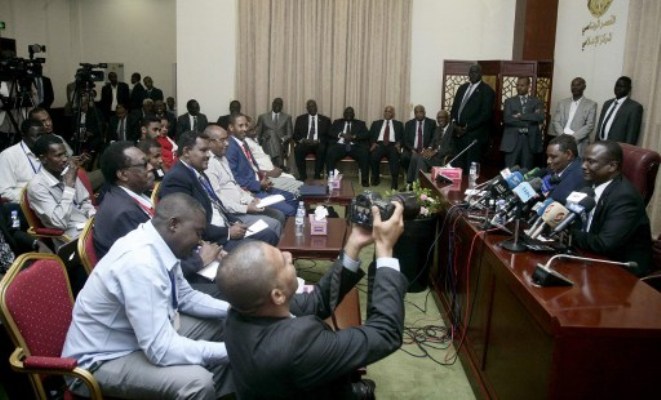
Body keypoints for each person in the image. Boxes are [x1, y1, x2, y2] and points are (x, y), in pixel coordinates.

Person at [218, 202, 408, 399]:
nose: (289, 254)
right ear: (277, 295)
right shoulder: (298, 345)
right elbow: (386, 333)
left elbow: (317, 302)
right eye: (283, 261)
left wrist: (354, 243)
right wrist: (385, 251)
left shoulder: (241, 311)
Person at [62, 193, 235, 399]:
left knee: (225, 323)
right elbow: (160, 350)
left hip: (135, 337)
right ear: (174, 225)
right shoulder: (141, 263)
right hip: (100, 360)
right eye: (197, 233)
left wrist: (235, 310)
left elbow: (185, 296)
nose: (199, 242)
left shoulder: (158, 242)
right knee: (197, 382)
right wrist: (234, 350)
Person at [94, 141, 222, 294]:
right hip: (154, 289)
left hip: (174, 269)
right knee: (234, 289)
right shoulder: (123, 213)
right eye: (144, 164)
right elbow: (154, 267)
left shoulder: (133, 196)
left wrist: (201, 248)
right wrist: (199, 260)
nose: (151, 167)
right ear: (123, 174)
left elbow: (165, 243)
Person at [160, 130, 280, 249]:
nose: (208, 155)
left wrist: (235, 221)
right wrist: (227, 232)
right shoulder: (177, 178)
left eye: (208, 150)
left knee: (269, 234)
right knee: (260, 244)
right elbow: (187, 224)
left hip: (225, 225)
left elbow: (217, 204)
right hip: (210, 241)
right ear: (186, 152)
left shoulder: (198, 172)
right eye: (203, 150)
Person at [571, 141, 652, 276]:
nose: (583, 166)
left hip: (621, 270)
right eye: (583, 160)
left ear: (612, 166)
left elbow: (604, 243)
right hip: (589, 256)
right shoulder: (589, 184)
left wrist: (569, 233)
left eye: (591, 162)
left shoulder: (625, 197)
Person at [205, 124, 285, 233]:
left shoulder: (222, 157)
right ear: (210, 142)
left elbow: (235, 185)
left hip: (244, 203)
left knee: (278, 215)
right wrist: (246, 208)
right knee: (273, 223)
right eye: (222, 140)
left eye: (227, 139)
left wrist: (251, 199)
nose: (227, 144)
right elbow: (218, 200)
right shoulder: (208, 164)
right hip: (233, 213)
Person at [26, 134, 95, 248]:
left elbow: (85, 201)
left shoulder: (67, 171)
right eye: (58, 155)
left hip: (89, 227)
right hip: (71, 239)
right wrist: (69, 187)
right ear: (43, 159)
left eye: (65, 154)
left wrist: (93, 216)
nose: (64, 159)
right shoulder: (37, 187)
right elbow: (59, 223)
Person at [226, 114, 298, 217]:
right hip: (252, 191)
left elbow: (253, 168)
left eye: (246, 125)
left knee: (292, 197)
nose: (245, 129)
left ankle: (286, 226)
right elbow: (234, 179)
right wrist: (259, 184)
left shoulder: (243, 142)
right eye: (240, 126)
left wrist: (264, 179)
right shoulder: (230, 148)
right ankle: (285, 228)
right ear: (231, 127)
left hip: (261, 185)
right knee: (290, 210)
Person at [449, 64, 495, 172]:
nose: (473, 74)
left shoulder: (487, 91)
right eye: (471, 72)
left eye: (476, 72)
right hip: (458, 135)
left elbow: (485, 115)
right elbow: (454, 109)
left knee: (470, 169)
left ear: (481, 74)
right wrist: (455, 124)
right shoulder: (462, 88)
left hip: (473, 137)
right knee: (457, 167)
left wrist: (466, 128)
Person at [244, 116, 304, 196]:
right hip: (266, 177)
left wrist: (275, 168)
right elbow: (250, 168)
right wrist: (268, 174)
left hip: (273, 171)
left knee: (292, 179)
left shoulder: (254, 139)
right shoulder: (244, 144)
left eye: (255, 128)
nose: (255, 131)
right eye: (251, 130)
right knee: (299, 186)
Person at [500, 77, 544, 169]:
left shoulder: (536, 102)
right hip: (512, 141)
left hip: (529, 141)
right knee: (509, 171)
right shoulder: (509, 101)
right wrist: (529, 121)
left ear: (528, 86)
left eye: (522, 85)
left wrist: (521, 116)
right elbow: (507, 119)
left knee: (526, 171)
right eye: (517, 85)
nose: (519, 87)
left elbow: (539, 117)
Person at [405, 110, 456, 189]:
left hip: (443, 159)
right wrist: (429, 149)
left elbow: (452, 148)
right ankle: (410, 183)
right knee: (415, 157)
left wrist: (435, 151)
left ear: (448, 118)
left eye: (442, 117)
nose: (440, 120)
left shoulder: (452, 129)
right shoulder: (438, 128)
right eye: (438, 118)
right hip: (434, 156)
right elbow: (433, 141)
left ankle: (418, 186)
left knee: (422, 159)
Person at [0, 119, 44, 203]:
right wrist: (32, 197)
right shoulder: (8, 155)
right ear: (23, 136)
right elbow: (4, 192)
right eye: (37, 136)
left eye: (43, 135)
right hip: (22, 206)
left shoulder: (48, 151)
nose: (41, 140)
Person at [550, 77, 597, 156]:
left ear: (584, 87)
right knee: (560, 165)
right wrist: (563, 137)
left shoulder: (591, 104)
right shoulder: (562, 103)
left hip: (578, 142)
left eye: (578, 85)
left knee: (576, 166)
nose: (575, 87)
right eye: (573, 85)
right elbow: (556, 121)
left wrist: (573, 138)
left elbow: (590, 125)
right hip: (561, 140)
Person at [326, 106, 371, 187]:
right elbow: (330, 132)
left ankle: (364, 179)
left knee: (364, 154)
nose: (348, 114)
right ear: (344, 114)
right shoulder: (337, 122)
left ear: (354, 114)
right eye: (347, 112)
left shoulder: (360, 123)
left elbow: (366, 134)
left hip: (354, 146)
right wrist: (341, 134)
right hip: (340, 146)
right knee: (330, 152)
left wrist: (354, 136)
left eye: (350, 113)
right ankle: (331, 177)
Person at [596, 76, 644, 145]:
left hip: (617, 149)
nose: (618, 88)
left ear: (629, 89)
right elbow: (600, 126)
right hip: (600, 144)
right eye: (617, 85)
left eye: (622, 86)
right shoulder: (607, 103)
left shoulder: (634, 107)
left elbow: (632, 134)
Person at [293, 99, 331, 180]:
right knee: (298, 149)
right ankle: (303, 176)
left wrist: (319, 140)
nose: (312, 108)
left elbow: (329, 136)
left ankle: (317, 175)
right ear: (307, 108)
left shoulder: (325, 120)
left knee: (322, 149)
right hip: (305, 143)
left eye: (313, 106)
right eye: (310, 106)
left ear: (316, 107)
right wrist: (303, 140)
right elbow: (295, 135)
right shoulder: (300, 119)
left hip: (318, 143)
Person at [369, 105, 404, 189]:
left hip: (393, 145)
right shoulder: (376, 123)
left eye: (390, 111)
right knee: (373, 156)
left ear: (393, 114)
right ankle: (376, 178)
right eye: (386, 111)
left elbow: (403, 137)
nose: (387, 113)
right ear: (384, 113)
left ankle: (394, 181)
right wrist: (373, 143)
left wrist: (399, 143)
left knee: (394, 158)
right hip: (379, 145)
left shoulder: (399, 124)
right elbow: (370, 136)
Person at [542, 134, 584, 203]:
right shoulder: (552, 168)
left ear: (568, 154)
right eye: (548, 156)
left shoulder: (578, 176)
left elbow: (557, 200)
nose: (548, 161)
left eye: (553, 157)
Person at [254, 97, 293, 170]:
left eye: (280, 104)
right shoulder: (263, 117)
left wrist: (281, 140)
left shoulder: (287, 117)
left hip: (281, 144)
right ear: (272, 104)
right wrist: (262, 139)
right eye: (276, 103)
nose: (278, 105)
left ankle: (276, 164)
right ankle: (280, 164)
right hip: (265, 143)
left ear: (282, 106)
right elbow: (258, 134)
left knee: (271, 133)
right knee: (271, 133)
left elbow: (290, 134)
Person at [401, 105, 436, 177]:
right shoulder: (409, 124)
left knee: (423, 159)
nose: (419, 114)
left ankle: (418, 178)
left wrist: (429, 148)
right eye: (416, 112)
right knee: (404, 157)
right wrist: (411, 149)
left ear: (424, 112)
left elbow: (434, 138)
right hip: (412, 149)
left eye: (421, 112)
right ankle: (410, 175)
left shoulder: (432, 123)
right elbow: (405, 140)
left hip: (425, 149)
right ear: (414, 114)